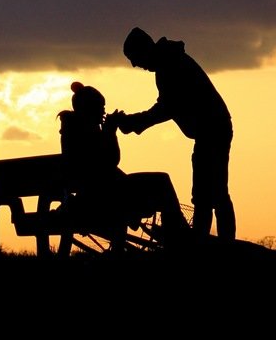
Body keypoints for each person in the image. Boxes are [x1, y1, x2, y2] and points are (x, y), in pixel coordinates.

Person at [116, 27, 236, 242]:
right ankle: (203, 242)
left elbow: (166, 108)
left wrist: (134, 123)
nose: (135, 65)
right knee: (204, 194)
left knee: (214, 193)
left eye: (134, 58)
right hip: (208, 131)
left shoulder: (170, 65)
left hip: (213, 130)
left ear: (144, 50)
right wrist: (134, 122)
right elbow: (167, 107)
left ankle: (218, 244)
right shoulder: (168, 62)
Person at [58, 82, 190, 245]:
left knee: (158, 182)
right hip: (104, 196)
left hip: (96, 193)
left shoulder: (74, 129)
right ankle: (177, 232)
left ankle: (175, 230)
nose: (104, 111)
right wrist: (110, 133)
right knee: (162, 181)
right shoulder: (87, 131)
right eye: (101, 107)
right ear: (90, 109)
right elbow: (110, 162)